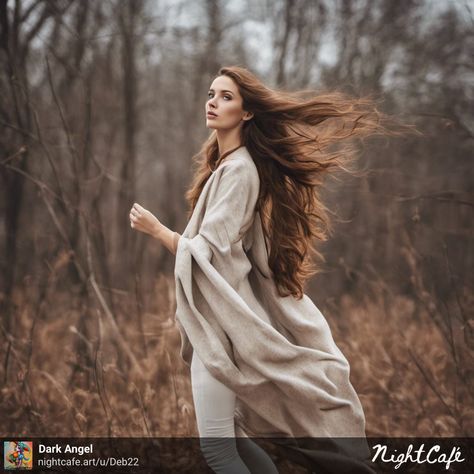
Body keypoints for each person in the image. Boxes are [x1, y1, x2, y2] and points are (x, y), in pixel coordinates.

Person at [129, 65, 403, 473]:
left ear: (247, 112)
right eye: (211, 93)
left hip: (219, 330)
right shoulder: (228, 166)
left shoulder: (239, 170)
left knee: (219, 451)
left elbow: (209, 251)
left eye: (226, 97)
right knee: (233, 444)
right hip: (219, 324)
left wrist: (157, 230)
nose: (212, 102)